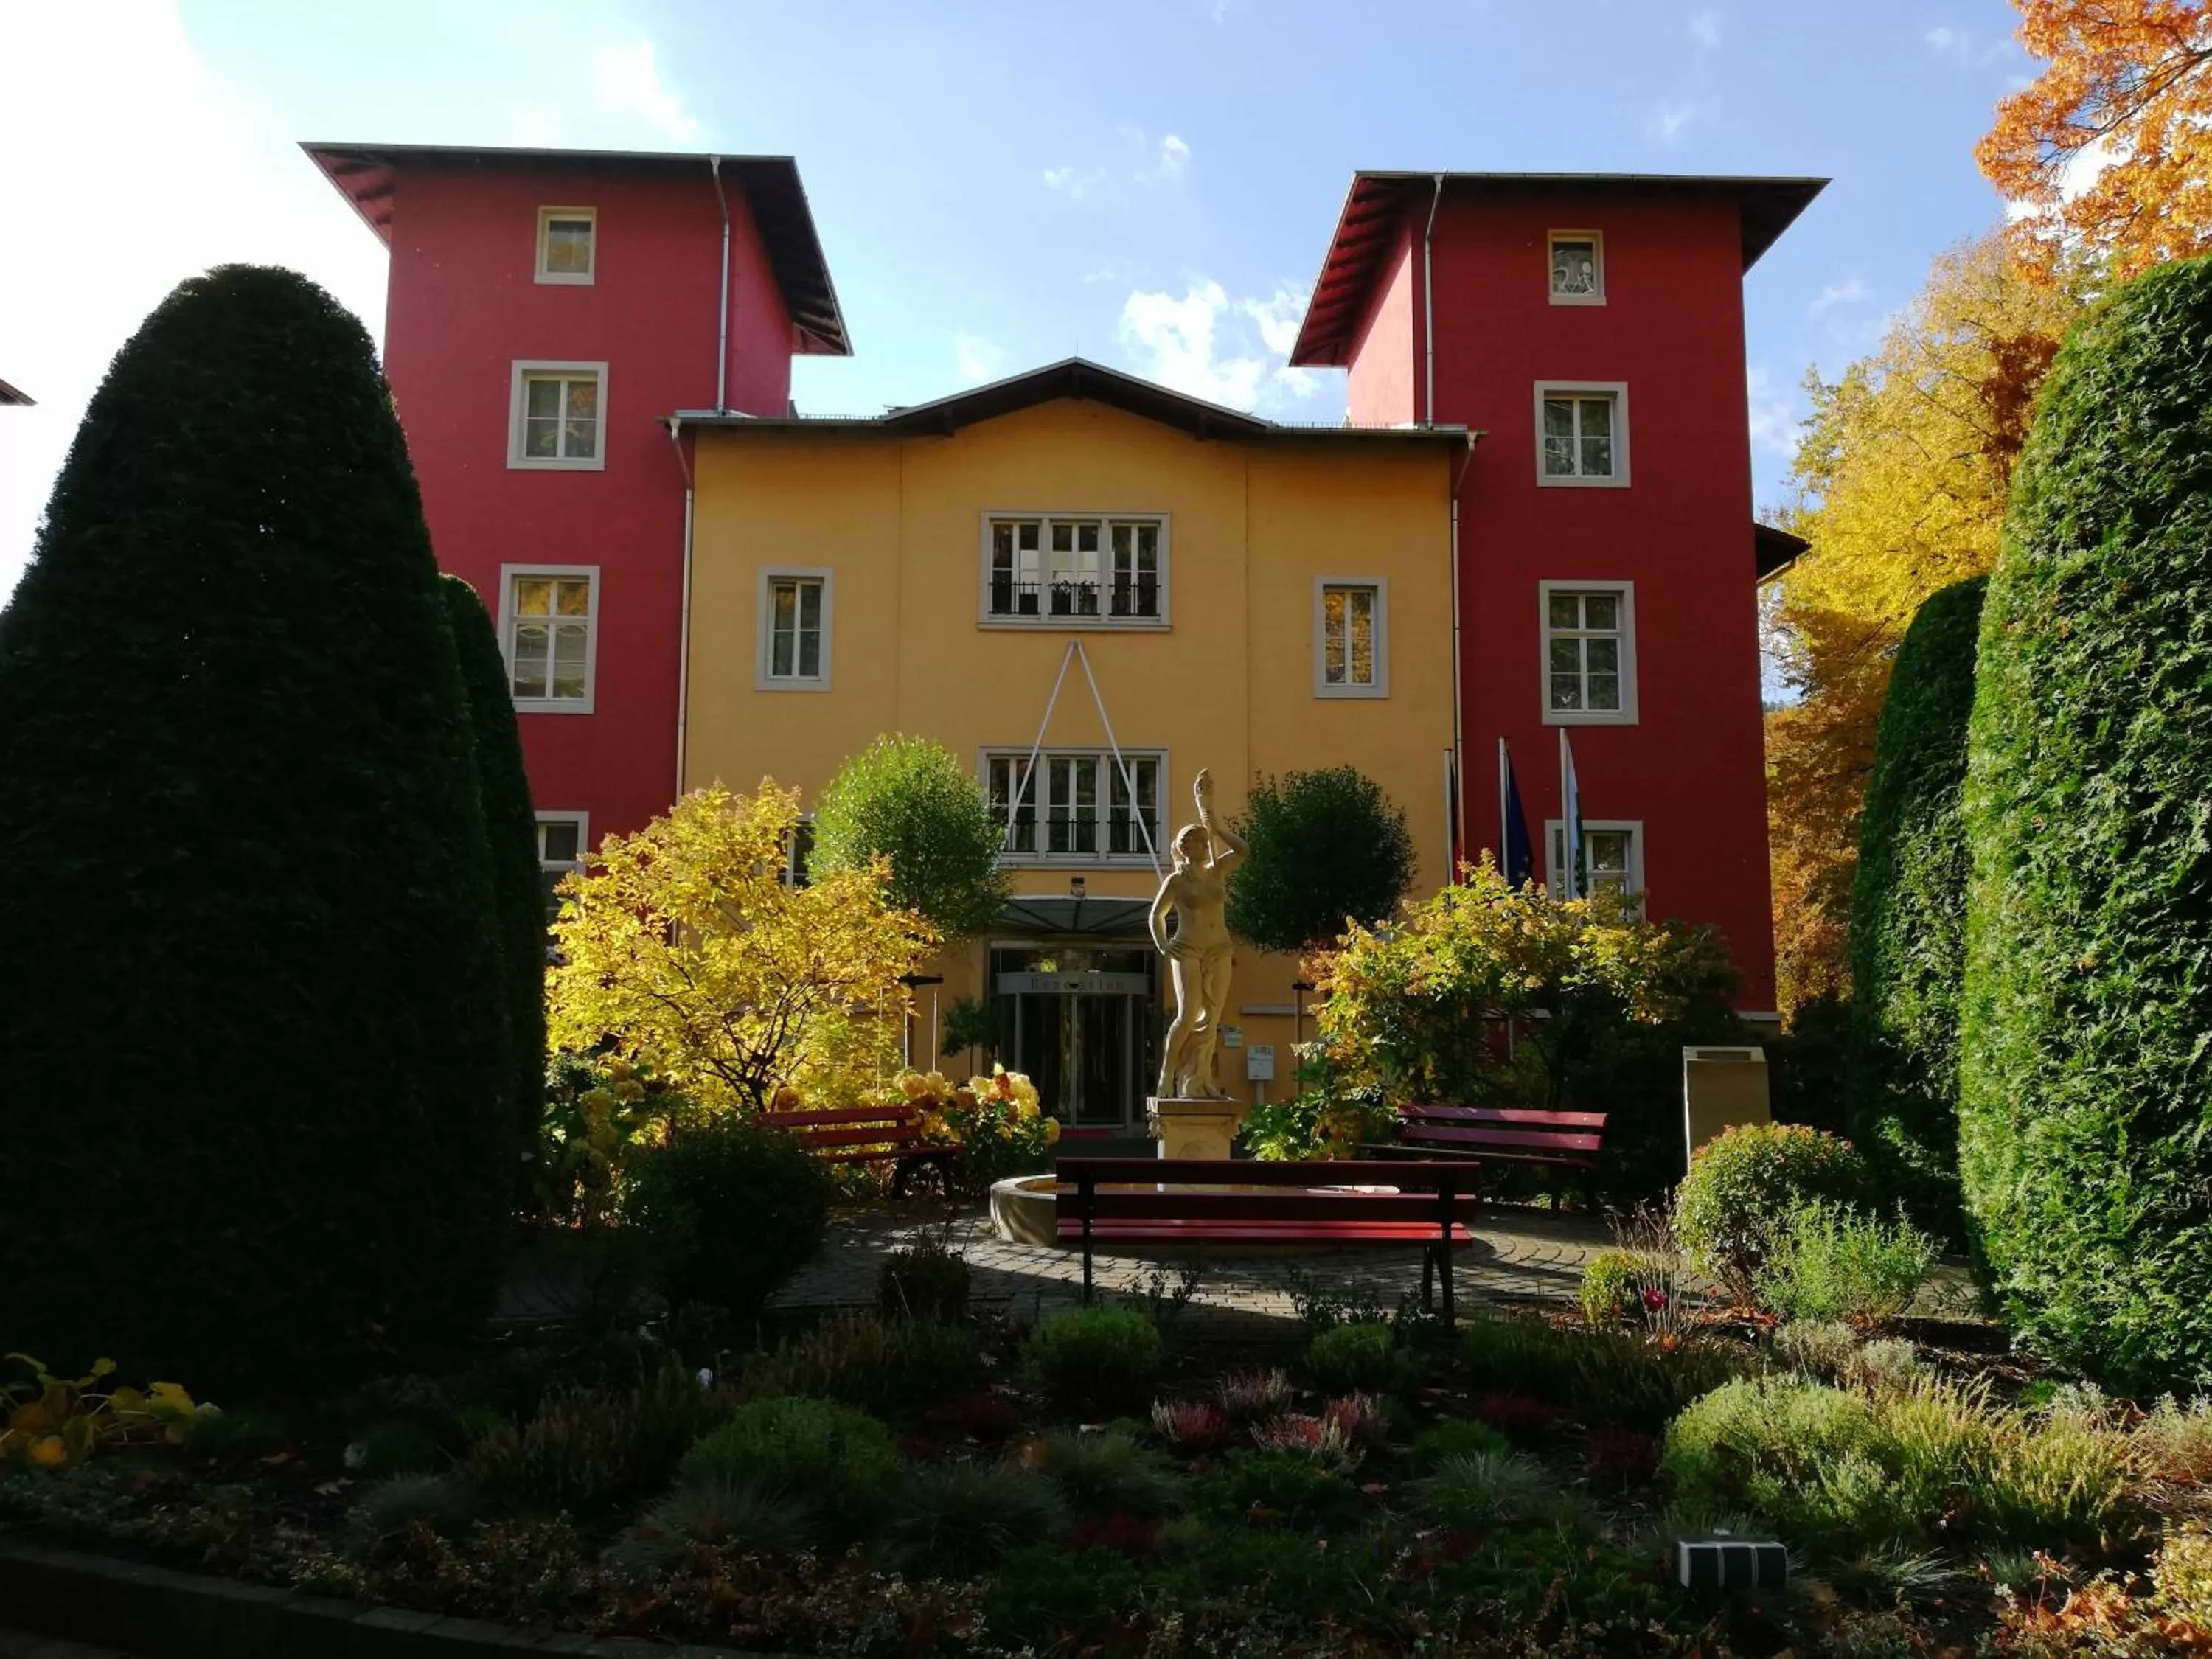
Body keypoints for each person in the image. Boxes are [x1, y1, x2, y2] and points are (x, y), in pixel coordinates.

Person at [1148, 768, 1246, 1100]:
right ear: (1182, 847)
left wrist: (1216, 825)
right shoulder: (1176, 881)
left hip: (1219, 947)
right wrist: (1164, 946)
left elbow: (1244, 851)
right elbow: (1156, 916)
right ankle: (1167, 1072)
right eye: (1195, 841)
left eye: (1204, 841)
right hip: (1187, 948)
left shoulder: (1218, 870)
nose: (1203, 845)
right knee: (1189, 1013)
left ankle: (1201, 1078)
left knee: (1215, 1014)